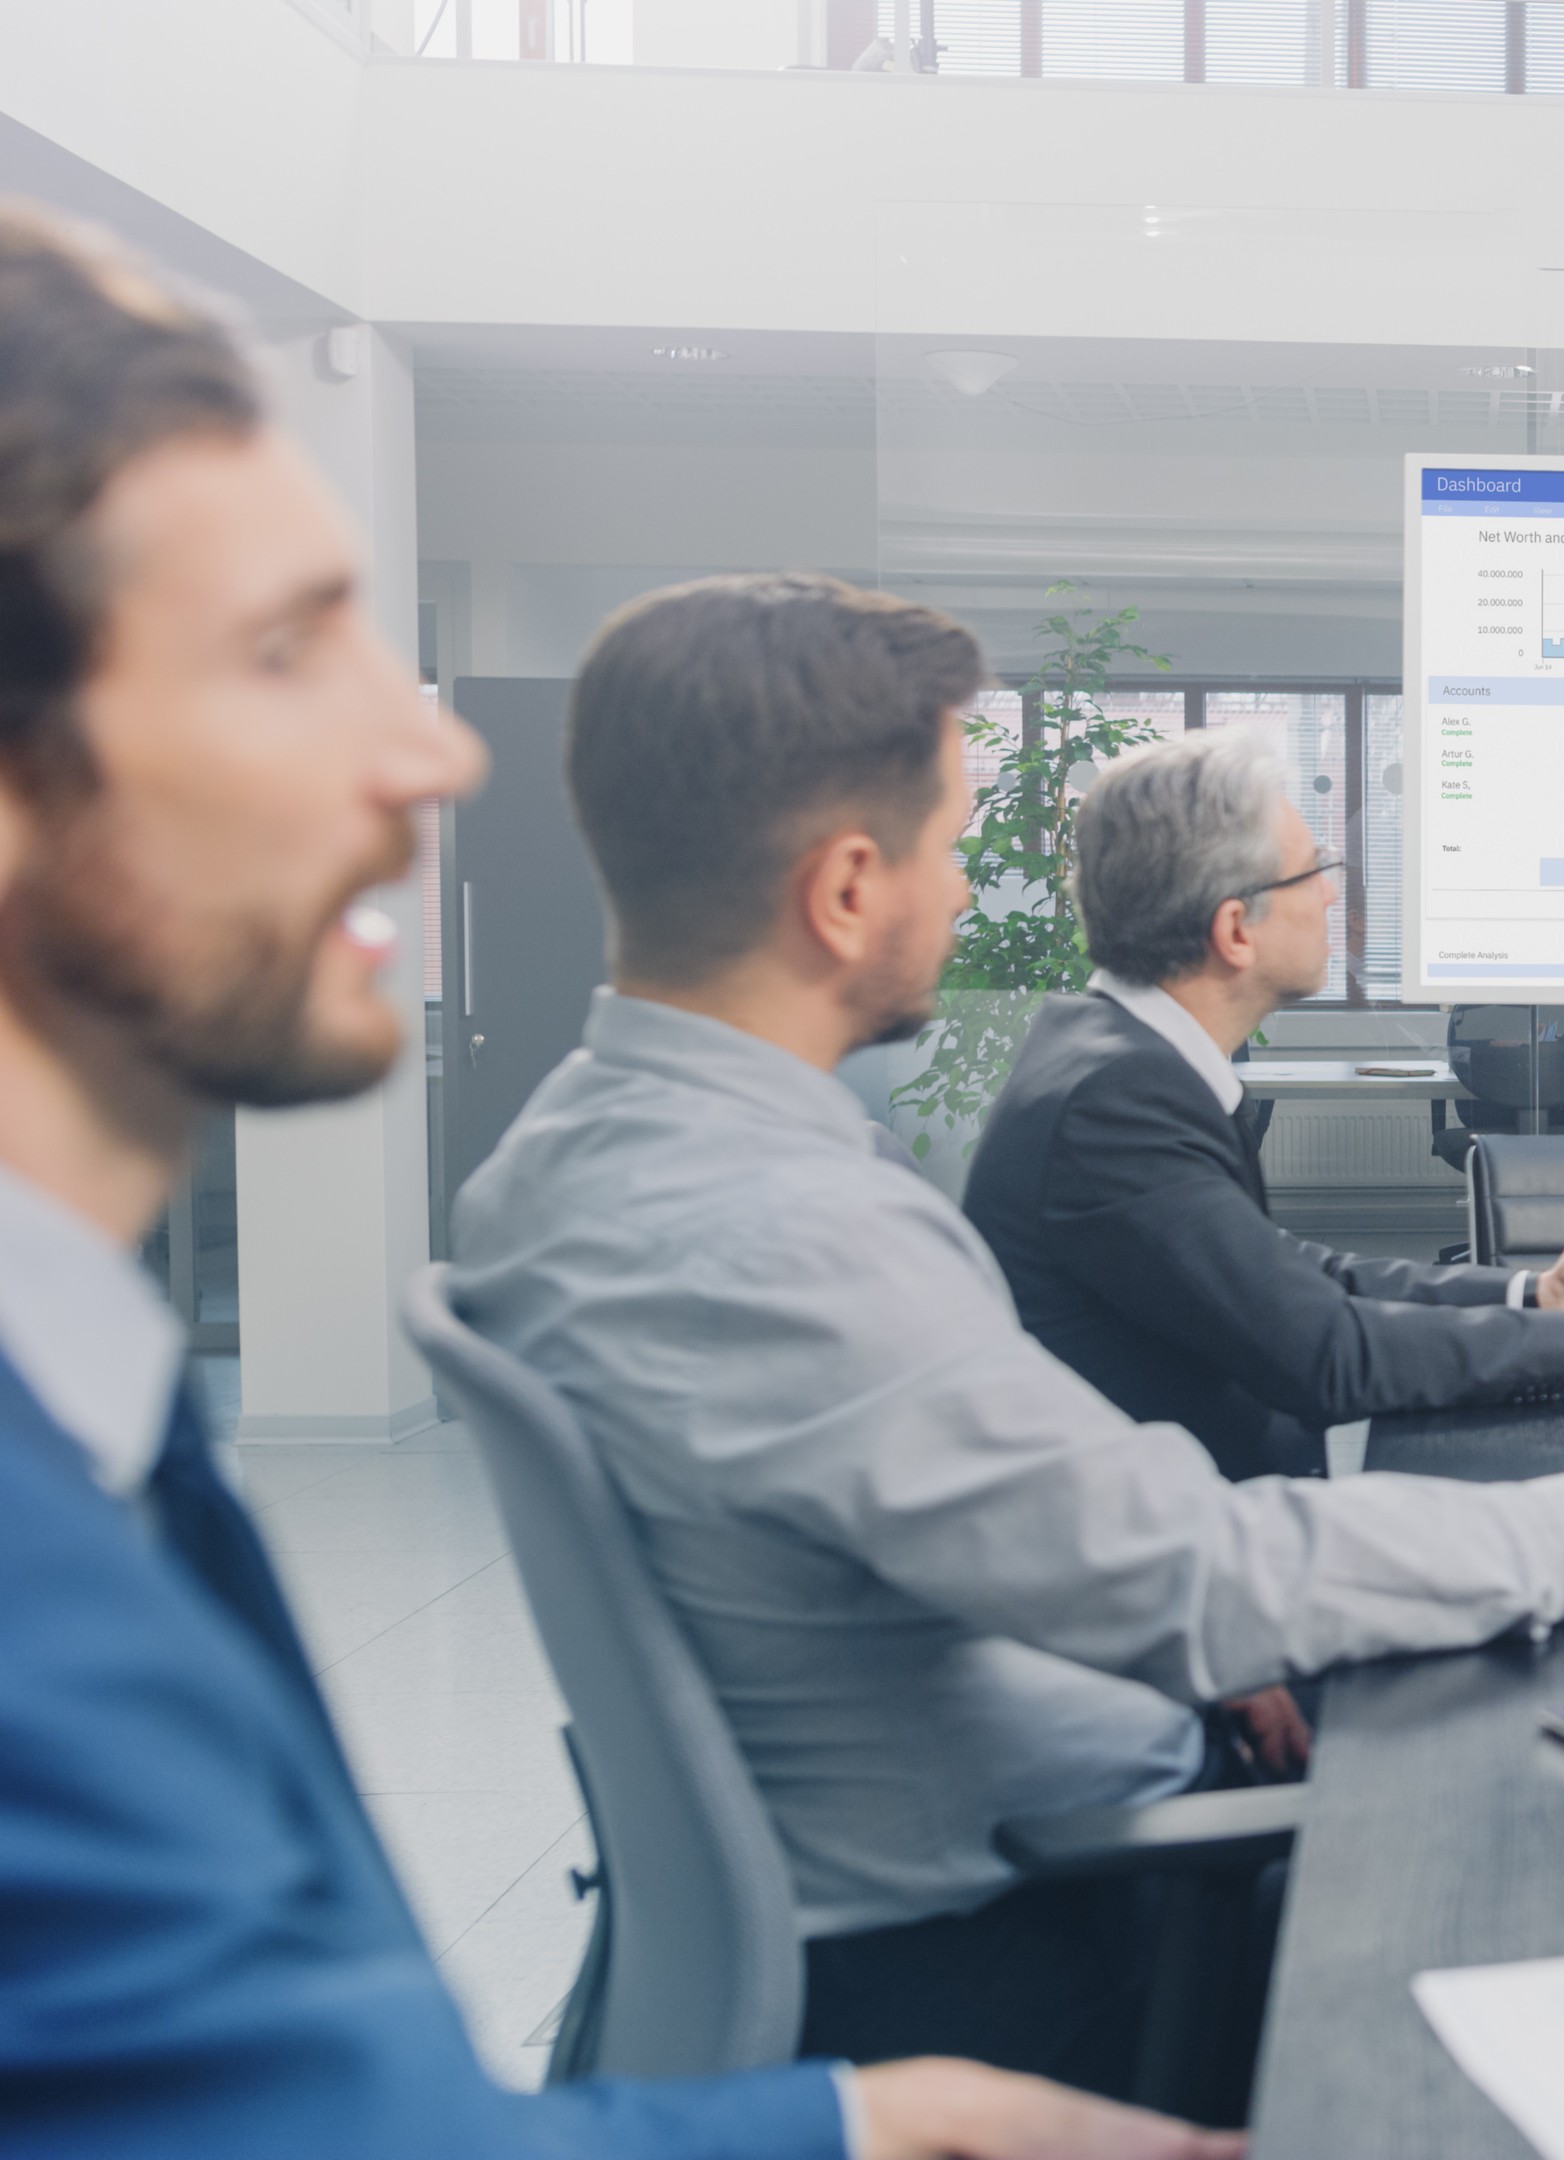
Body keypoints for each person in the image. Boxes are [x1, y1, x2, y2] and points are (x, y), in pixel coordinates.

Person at [0, 200, 1234, 2160]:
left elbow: (269, 2120)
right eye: (283, 650)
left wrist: (840, 2129)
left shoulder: (86, 1411)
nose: (433, 754)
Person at [449, 571, 1564, 2093]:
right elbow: (1193, 1579)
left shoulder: (564, 1162)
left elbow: (1055, 1541)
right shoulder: (786, 1231)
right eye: (951, 849)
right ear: (849, 888)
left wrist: (1178, 1654)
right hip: (1020, 1945)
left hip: (926, 1839)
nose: (974, 896)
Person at [964, 728, 1564, 1482]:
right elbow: (1324, 1353)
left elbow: (1295, 1278)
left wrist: (1539, 1296)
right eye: (1314, 873)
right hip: (1199, 1549)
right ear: (1235, 929)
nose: (1334, 899)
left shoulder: (1116, 1055)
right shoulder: (1116, 1102)